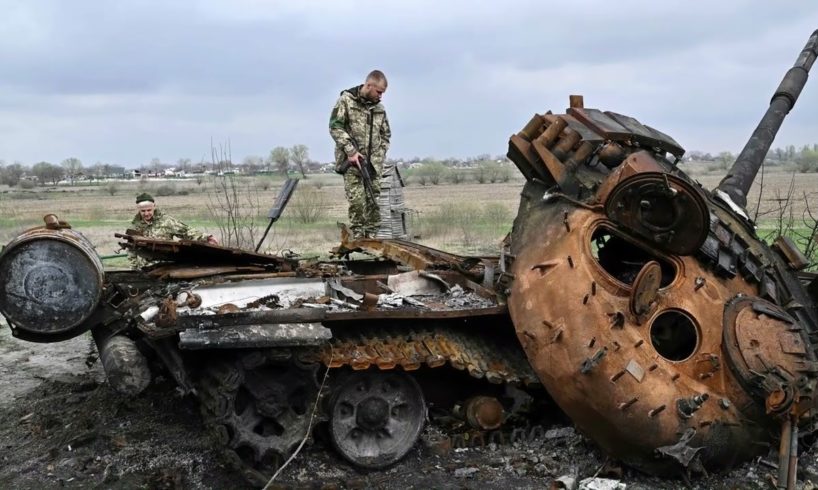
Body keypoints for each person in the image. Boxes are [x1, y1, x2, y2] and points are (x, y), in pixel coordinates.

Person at [329, 69, 392, 239]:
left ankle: (371, 237)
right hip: (352, 164)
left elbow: (386, 135)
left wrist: (380, 155)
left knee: (373, 201)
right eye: (379, 92)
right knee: (357, 202)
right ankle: (358, 236)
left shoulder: (379, 109)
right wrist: (351, 151)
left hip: (373, 166)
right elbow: (335, 126)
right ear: (369, 85)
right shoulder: (346, 101)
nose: (380, 96)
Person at [127, 192, 218, 267]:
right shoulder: (134, 226)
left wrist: (207, 237)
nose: (146, 213)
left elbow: (186, 231)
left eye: (149, 210)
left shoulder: (167, 221)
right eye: (143, 211)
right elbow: (131, 250)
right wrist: (134, 268)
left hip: (164, 266)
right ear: (138, 210)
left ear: (154, 207)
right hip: (143, 268)